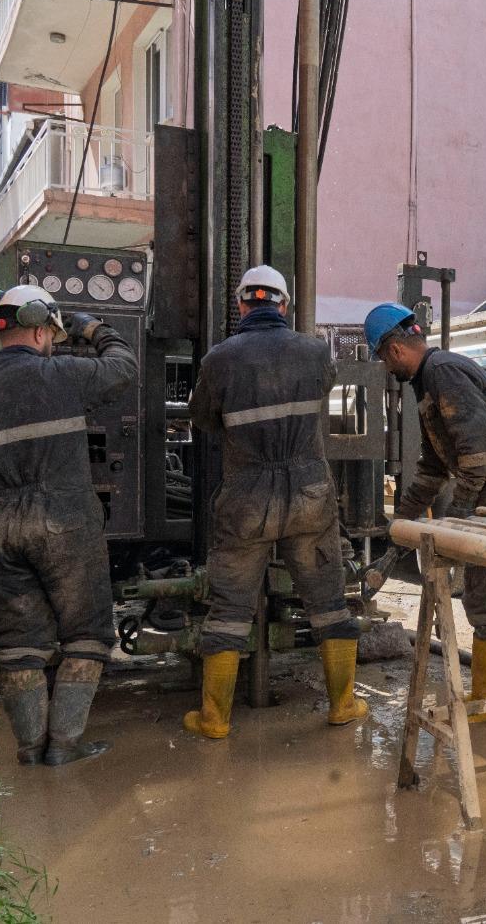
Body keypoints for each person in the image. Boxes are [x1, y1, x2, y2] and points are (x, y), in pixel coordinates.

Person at [0, 283, 137, 766]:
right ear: (41, 327)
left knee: (17, 642)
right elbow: (124, 370)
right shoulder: (62, 374)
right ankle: (65, 745)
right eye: (53, 329)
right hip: (63, 520)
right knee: (87, 633)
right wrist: (94, 329)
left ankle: (30, 748)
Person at [183, 266, 365, 739]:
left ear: (242, 304)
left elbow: (202, 418)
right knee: (328, 602)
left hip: (246, 498)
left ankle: (215, 719)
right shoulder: (313, 352)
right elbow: (324, 391)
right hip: (310, 494)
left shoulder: (219, 359)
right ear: (283, 304)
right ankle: (343, 703)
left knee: (228, 608)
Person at [363, 302, 486, 722]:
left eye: (382, 359)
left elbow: (477, 452)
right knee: (483, 596)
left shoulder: (441, 371)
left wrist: (459, 515)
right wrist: (399, 528)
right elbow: (432, 469)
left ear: (393, 350)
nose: (386, 369)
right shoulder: (428, 382)